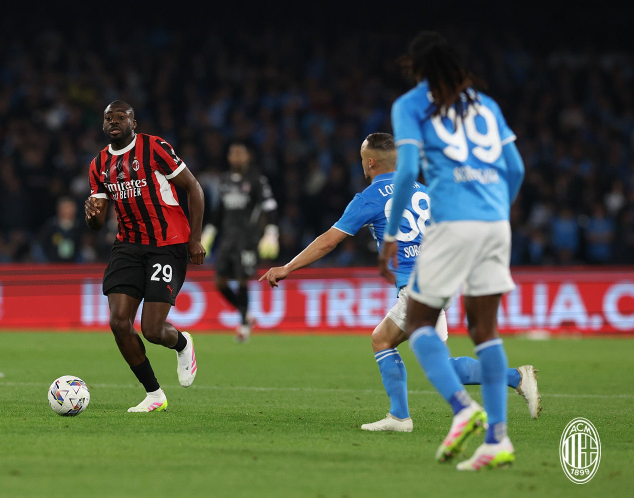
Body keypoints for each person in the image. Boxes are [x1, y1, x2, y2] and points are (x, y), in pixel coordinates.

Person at [259, 133, 539, 432]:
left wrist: (288, 267)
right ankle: (402, 415)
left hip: (419, 286)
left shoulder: (369, 197)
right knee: (395, 344)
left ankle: (511, 379)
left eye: (362, 159)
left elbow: (329, 241)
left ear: (370, 163)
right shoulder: (424, 191)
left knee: (425, 359)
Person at [379, 32, 527, 470]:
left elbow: (407, 169)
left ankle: (463, 409)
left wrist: (391, 233)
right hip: (496, 224)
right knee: (485, 330)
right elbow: (516, 168)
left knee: (419, 322)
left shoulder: (410, 105)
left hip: (452, 222)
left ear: (415, 68)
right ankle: (497, 439)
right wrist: (497, 209)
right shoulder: (487, 105)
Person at [84, 100, 206, 413]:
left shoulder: (155, 148)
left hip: (167, 243)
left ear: (133, 123)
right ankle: (154, 394)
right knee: (119, 322)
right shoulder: (99, 164)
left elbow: (194, 188)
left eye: (120, 117)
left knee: (152, 330)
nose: (114, 121)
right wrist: (92, 215)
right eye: (108, 117)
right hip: (127, 245)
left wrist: (195, 239)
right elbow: (97, 221)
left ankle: (182, 343)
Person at [201, 142, 280, 342]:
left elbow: (270, 206)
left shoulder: (256, 179)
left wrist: (271, 232)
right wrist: (208, 233)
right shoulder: (224, 180)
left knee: (242, 278)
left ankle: (244, 325)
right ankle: (246, 315)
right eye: (233, 153)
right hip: (227, 239)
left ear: (247, 157)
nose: (237, 157)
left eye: (240, 154)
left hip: (248, 239)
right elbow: (219, 211)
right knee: (219, 282)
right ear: (229, 157)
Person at [36, 197, 82, 263]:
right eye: (66, 207)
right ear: (59, 209)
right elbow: (40, 245)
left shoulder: (79, 227)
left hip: (73, 264)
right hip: (53, 264)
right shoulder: (51, 226)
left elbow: (82, 248)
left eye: (72, 207)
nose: (70, 210)